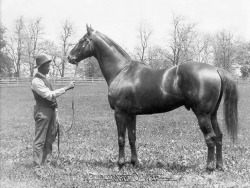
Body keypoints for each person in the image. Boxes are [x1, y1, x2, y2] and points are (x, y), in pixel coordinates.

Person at [31, 55, 75, 167]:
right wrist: (66, 88)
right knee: (40, 139)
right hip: (43, 112)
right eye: (47, 66)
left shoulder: (44, 79)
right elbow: (49, 95)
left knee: (50, 137)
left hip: (50, 111)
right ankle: (37, 165)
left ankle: (46, 162)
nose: (49, 68)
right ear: (40, 67)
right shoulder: (36, 81)